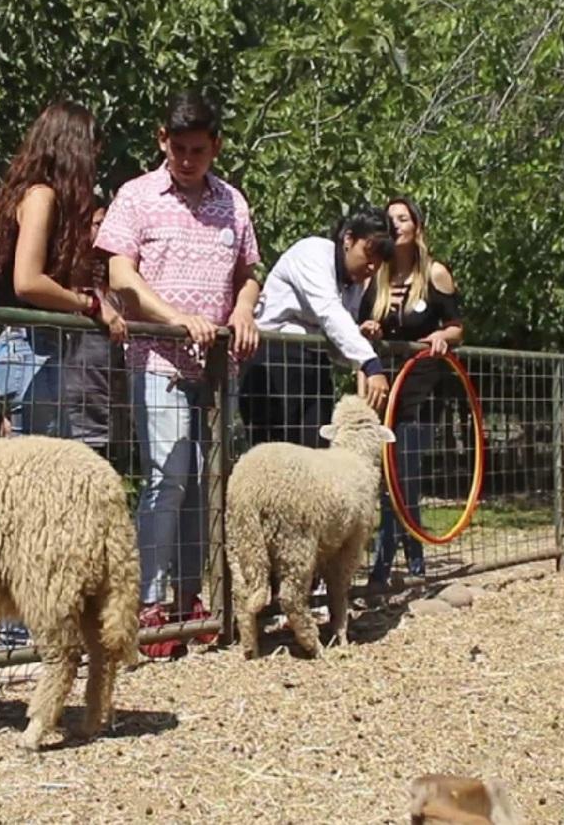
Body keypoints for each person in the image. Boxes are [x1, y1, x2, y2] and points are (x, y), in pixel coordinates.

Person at [94, 88, 260, 659]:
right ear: (162, 140)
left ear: (215, 147)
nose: (188, 159)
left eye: (199, 149)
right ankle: (149, 603)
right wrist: (175, 319)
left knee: (208, 484)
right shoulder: (136, 197)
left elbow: (249, 271)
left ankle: (196, 598)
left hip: (217, 369)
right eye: (178, 147)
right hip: (158, 359)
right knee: (169, 475)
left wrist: (241, 309)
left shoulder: (234, 204)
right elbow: (121, 275)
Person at [0, 100, 125, 670]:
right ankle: (19, 639)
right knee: (32, 510)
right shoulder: (41, 197)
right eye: (91, 151)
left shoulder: (33, 196)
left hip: (33, 356)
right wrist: (90, 303)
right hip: (31, 355)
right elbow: (28, 280)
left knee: (38, 508)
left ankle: (37, 634)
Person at [358, 196, 464, 591]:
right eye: (390, 220)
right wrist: (371, 329)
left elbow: (456, 326)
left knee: (404, 478)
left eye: (403, 218)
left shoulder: (435, 274)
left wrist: (440, 336)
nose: (396, 224)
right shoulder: (376, 278)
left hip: (422, 391)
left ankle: (382, 569)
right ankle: (415, 560)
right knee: (392, 478)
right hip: (384, 389)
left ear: (417, 226)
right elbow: (365, 329)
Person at [240, 206, 395, 449]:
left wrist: (358, 335)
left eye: (379, 261)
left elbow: (337, 333)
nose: (372, 266)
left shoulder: (352, 285)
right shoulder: (313, 253)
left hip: (314, 364)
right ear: (348, 239)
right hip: (273, 359)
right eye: (369, 253)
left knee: (316, 454)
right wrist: (370, 362)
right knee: (273, 456)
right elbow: (329, 312)